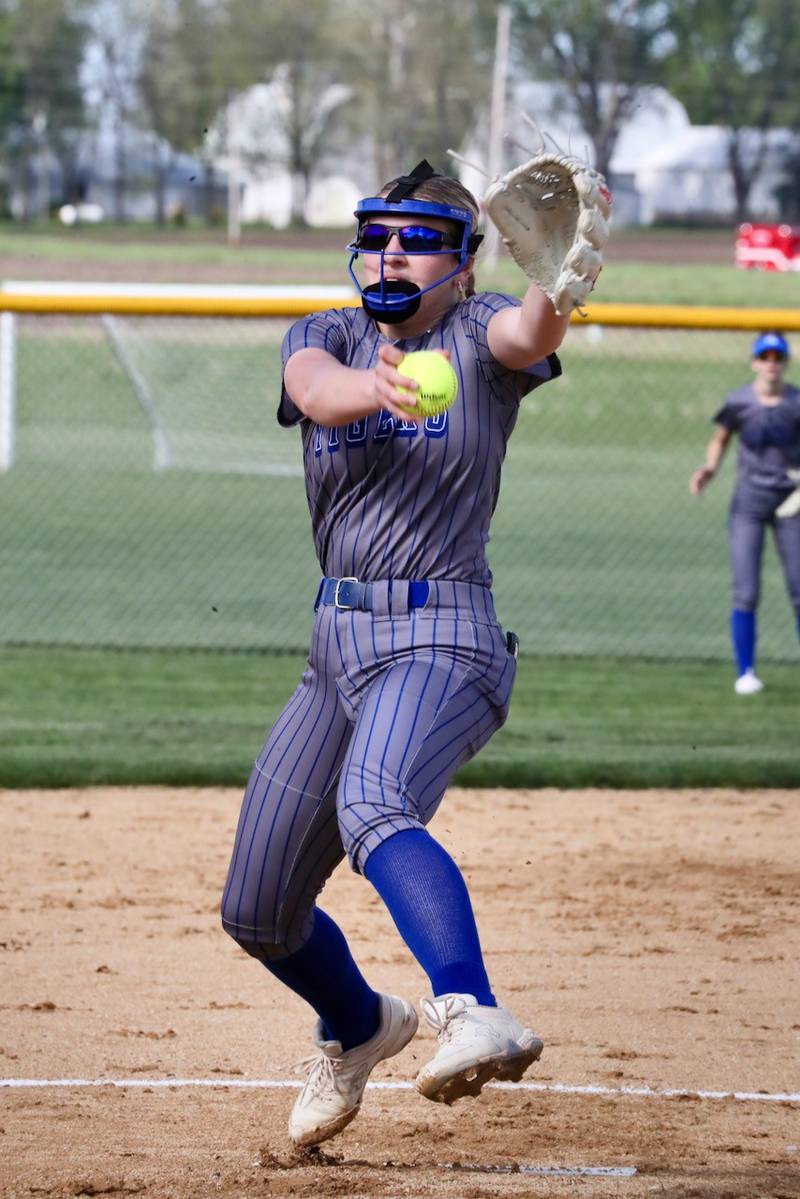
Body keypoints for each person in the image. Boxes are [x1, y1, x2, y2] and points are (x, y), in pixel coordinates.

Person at [220, 159, 570, 1148]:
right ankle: (361, 1023)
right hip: (333, 644)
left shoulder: (476, 330)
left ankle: (469, 1007)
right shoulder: (324, 337)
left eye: (414, 240)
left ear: (460, 262)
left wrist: (555, 279)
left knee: (373, 801)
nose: (388, 254)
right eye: (377, 236)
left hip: (443, 634)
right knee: (256, 909)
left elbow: (527, 331)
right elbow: (318, 391)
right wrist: (373, 387)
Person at [690, 331, 800, 695]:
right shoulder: (739, 401)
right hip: (750, 503)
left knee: (799, 588)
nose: (771, 363)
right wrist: (709, 468)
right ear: (755, 361)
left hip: (792, 504)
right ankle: (746, 672)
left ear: (785, 362)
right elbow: (721, 438)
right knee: (746, 591)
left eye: (777, 356)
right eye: (765, 356)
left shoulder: (796, 403)